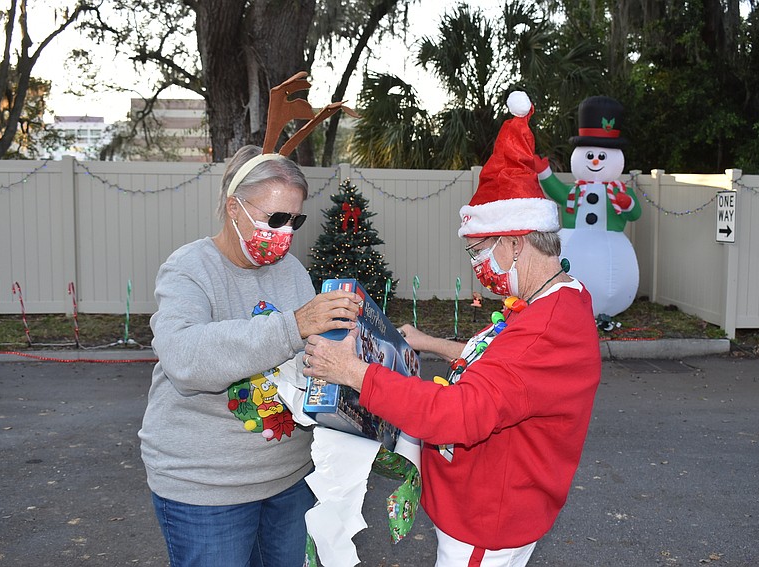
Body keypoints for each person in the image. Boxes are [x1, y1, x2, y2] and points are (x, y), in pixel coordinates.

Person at [301, 92, 602, 566]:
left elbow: (459, 414)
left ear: (515, 242)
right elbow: (506, 369)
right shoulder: (555, 300)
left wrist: (355, 372)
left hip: (487, 520)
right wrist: (428, 343)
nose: (478, 266)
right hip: (492, 507)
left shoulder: (546, 324)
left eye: (479, 252)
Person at [139, 145, 362, 567]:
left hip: (289, 478)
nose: (285, 232)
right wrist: (293, 326)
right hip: (207, 488)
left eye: (295, 220)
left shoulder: (291, 270)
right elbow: (184, 359)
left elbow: (308, 361)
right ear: (233, 207)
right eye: (275, 218)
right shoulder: (189, 268)